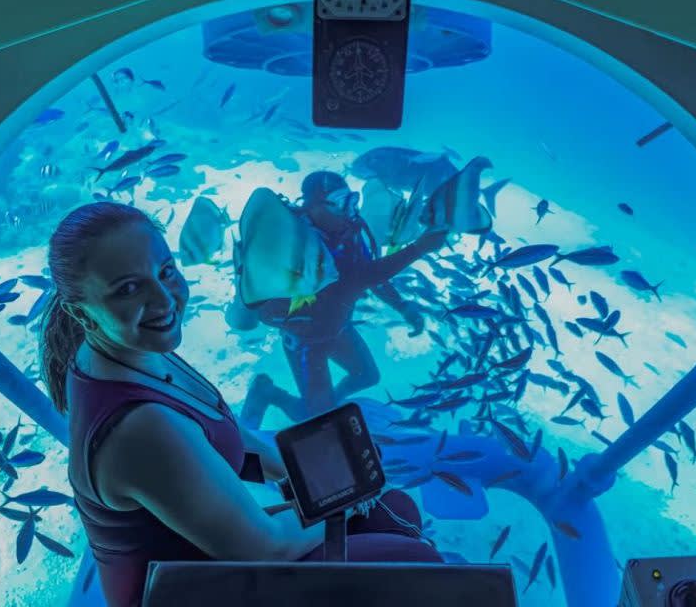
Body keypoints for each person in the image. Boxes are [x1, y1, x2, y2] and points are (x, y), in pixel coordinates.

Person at [40, 202, 442, 607]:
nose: (163, 301)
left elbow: (224, 431)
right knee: (417, 562)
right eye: (128, 289)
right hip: (184, 590)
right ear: (81, 314)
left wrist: (323, 480)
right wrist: (345, 498)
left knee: (395, 509)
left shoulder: (133, 352)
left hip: (205, 558)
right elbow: (267, 549)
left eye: (166, 272)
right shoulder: (139, 428)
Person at [234, 171, 447, 429]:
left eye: (352, 200)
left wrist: (402, 306)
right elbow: (360, 277)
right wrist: (418, 248)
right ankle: (268, 394)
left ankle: (322, 407)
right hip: (305, 341)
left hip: (338, 327)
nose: (350, 210)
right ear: (311, 206)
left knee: (367, 376)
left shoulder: (351, 231)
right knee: (316, 417)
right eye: (339, 202)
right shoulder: (297, 245)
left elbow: (368, 272)